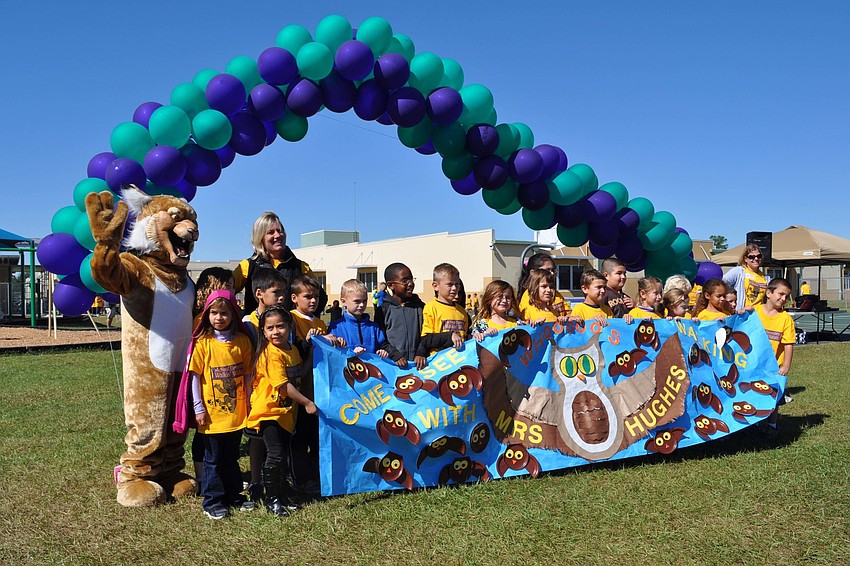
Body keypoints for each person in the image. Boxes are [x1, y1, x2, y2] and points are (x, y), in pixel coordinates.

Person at [188, 290, 255, 519]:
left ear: (233, 314)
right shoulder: (203, 343)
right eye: (214, 313)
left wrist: (249, 403)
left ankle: (234, 495)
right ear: (207, 314)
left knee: (232, 457)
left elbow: (247, 375)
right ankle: (213, 501)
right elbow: (195, 377)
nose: (219, 317)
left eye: (224, 313)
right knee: (213, 460)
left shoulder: (243, 342)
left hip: (236, 414)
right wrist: (198, 408)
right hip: (211, 416)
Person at [247, 306, 316, 516]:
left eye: (280, 326)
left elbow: (300, 372)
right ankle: (272, 499)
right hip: (269, 413)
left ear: (289, 327)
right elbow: (283, 385)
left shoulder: (292, 350)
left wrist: (312, 353)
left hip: (286, 414)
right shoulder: (271, 355)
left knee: (283, 454)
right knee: (275, 455)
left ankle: (282, 492)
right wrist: (306, 402)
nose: (275, 332)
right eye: (270, 328)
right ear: (264, 332)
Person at [288, 274, 343, 498]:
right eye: (307, 296)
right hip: (300, 388)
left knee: (316, 435)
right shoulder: (290, 319)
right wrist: (306, 342)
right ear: (294, 298)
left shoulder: (320, 323)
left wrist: (336, 343)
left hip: (319, 389)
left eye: (316, 297)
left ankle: (314, 476)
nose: (313, 301)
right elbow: (291, 350)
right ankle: (298, 479)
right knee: (299, 437)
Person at [240, 266, 287, 502]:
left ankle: (278, 480)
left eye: (283, 293)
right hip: (257, 390)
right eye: (276, 292)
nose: (281, 297)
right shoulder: (248, 323)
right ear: (259, 294)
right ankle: (257, 481)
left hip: (279, 389)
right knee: (257, 439)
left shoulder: (283, 319)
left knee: (277, 438)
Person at [189, 267, 236, 482]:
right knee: (204, 435)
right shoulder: (202, 320)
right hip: (200, 378)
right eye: (230, 286)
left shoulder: (225, 317)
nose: (233, 290)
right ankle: (203, 477)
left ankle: (215, 476)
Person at [233, 211, 327, 316]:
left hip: (291, 330)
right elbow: (224, 294)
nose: (277, 235)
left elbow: (321, 297)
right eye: (271, 232)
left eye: (280, 231)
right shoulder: (247, 266)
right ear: (260, 237)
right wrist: (239, 317)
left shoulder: (300, 267)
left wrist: (303, 321)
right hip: (255, 331)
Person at [755, 278, 796, 437]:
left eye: (787, 296)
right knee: (754, 393)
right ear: (769, 293)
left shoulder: (785, 319)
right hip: (754, 364)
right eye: (781, 294)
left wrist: (785, 366)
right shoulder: (754, 312)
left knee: (774, 396)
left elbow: (788, 344)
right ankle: (756, 422)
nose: (783, 299)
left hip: (774, 367)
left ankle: (772, 425)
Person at [329, 279, 403, 365]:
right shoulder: (336, 327)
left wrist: (382, 352)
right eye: (357, 301)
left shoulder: (374, 327)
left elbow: (382, 346)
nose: (361, 305)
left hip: (372, 375)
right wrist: (351, 353)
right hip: (347, 375)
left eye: (364, 301)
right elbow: (332, 356)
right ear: (343, 301)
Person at [416, 263, 468, 367]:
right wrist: (449, 336)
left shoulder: (462, 312)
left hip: (460, 363)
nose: (454, 288)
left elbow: (465, 337)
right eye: (449, 284)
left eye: (457, 284)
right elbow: (426, 340)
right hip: (439, 365)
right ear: (435, 286)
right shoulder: (431, 308)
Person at [375, 262, 425, 369]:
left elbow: (427, 334)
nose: (410, 283)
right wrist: (394, 354)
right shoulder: (383, 310)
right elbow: (380, 338)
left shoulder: (420, 307)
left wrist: (421, 352)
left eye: (411, 279)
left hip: (418, 366)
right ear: (390, 285)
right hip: (394, 366)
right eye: (405, 281)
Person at [517, 252, 569, 318]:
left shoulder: (556, 294)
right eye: (547, 270)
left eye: (553, 270)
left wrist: (567, 318)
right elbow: (529, 319)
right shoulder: (529, 295)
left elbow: (568, 313)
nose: (552, 273)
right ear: (533, 273)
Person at [723, 244, 769, 311]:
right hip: (741, 314)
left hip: (758, 315)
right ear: (745, 259)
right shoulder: (739, 271)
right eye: (751, 257)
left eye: (759, 256)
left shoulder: (766, 278)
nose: (756, 259)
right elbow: (720, 283)